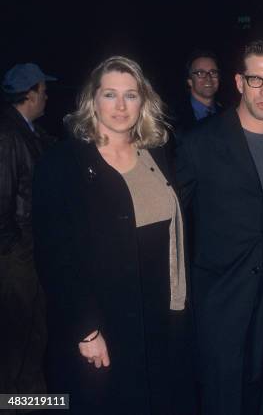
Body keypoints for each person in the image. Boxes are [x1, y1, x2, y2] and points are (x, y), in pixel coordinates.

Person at [32, 56, 195, 413]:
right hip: (101, 319)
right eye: (110, 95)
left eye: (131, 95)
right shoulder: (62, 163)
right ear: (92, 100)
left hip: (158, 315)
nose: (121, 106)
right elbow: (54, 256)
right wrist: (85, 330)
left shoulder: (157, 152)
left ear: (144, 101)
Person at [176, 40, 263, 415]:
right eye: (255, 80)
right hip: (221, 301)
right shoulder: (198, 144)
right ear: (238, 82)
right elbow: (175, 222)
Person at [0, 63, 56, 396]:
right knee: (17, 344)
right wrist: (13, 251)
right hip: (16, 260)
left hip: (28, 255)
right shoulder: (7, 136)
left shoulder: (30, 133)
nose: (47, 96)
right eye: (43, 90)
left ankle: (32, 403)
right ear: (29, 93)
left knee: (34, 339)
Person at [174, 49, 223, 132]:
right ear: (190, 81)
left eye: (213, 72)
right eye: (200, 73)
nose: (208, 78)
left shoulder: (227, 114)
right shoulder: (173, 118)